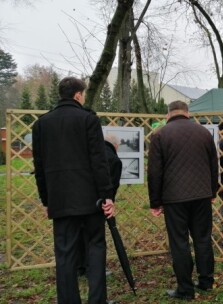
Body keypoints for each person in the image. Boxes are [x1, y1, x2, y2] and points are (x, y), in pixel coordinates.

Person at [32, 76, 115, 304]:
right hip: (91, 200)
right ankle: (97, 300)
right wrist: (107, 195)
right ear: (78, 95)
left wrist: (46, 199)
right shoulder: (88, 120)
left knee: (65, 255)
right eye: (84, 94)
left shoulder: (41, 124)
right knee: (96, 249)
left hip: (60, 200)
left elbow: (39, 167)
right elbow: (99, 162)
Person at [148, 100, 219, 301]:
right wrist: (213, 191)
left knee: (179, 243)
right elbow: (214, 165)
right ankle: (206, 281)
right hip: (202, 195)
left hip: (174, 198)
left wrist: (155, 202)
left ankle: (185, 289)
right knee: (203, 239)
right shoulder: (204, 133)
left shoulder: (160, 135)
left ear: (168, 114)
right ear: (187, 113)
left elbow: (154, 172)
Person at [78, 134, 123, 277]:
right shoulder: (114, 160)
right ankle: (94, 270)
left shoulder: (87, 153)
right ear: (115, 146)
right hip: (98, 204)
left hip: (79, 201)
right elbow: (112, 187)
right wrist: (109, 204)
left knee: (79, 235)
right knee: (95, 240)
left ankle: (80, 267)